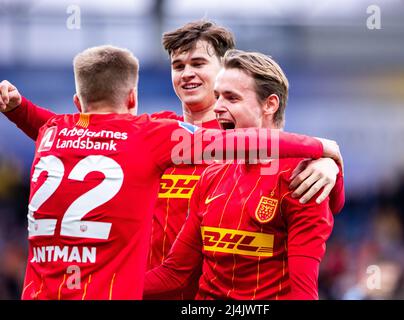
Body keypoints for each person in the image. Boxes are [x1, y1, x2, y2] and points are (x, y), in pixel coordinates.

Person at [0, 20, 344, 299]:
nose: (186, 73)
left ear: (225, 70)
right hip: (142, 287)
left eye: (198, 63)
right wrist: (19, 110)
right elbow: (76, 135)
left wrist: (328, 160)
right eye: (178, 65)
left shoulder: (255, 148)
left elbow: (276, 151)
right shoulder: (154, 132)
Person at [143, 50, 340, 299]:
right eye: (217, 97)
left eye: (231, 98)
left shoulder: (303, 178)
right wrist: (102, 288)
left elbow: (303, 292)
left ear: (270, 104)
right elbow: (175, 274)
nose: (217, 108)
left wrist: (331, 164)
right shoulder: (211, 175)